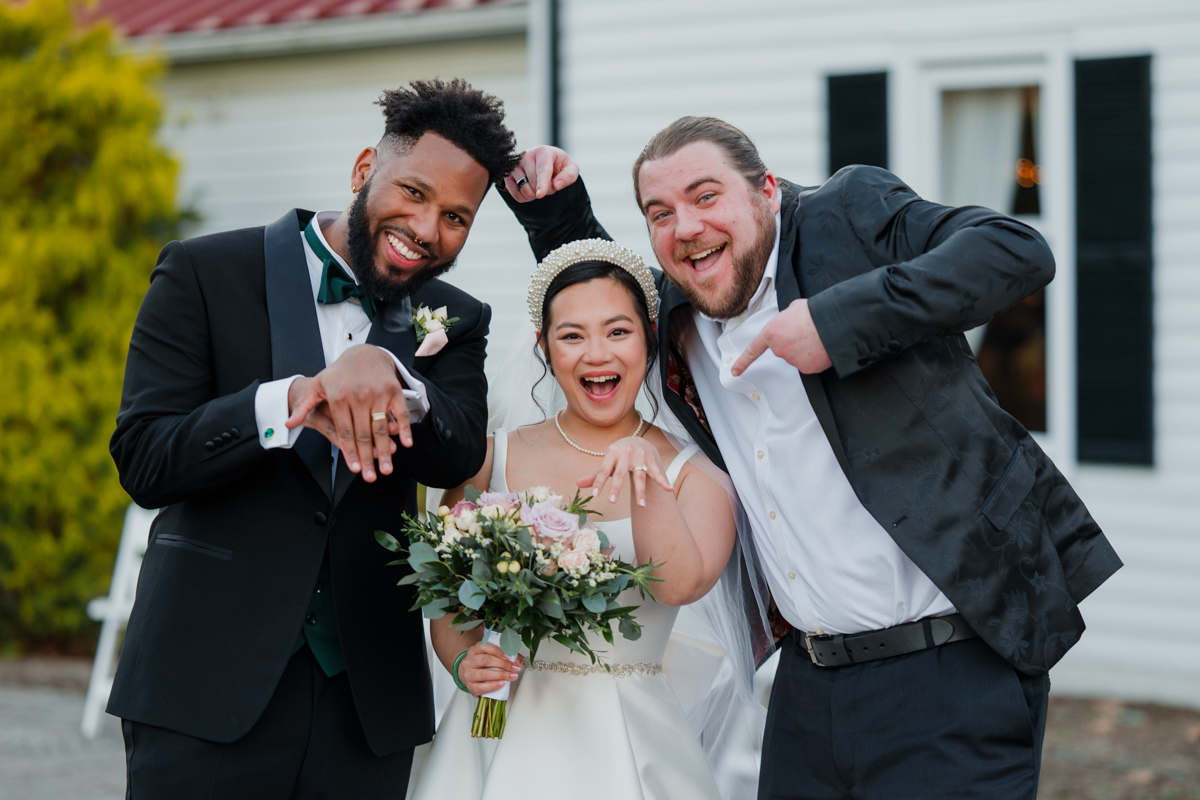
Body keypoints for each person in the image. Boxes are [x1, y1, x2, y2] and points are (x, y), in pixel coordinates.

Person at [499, 118, 1123, 799]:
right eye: (660, 214)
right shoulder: (679, 312)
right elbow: (608, 309)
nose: (686, 227)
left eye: (707, 197)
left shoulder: (845, 215)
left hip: (952, 672)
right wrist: (555, 215)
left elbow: (1014, 251)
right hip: (806, 687)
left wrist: (837, 321)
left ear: (766, 191)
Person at [107, 79, 520, 798]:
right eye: (414, 193)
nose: (427, 228)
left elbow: (457, 450)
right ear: (365, 168)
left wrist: (389, 372)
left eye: (457, 215)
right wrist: (286, 402)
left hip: (367, 702)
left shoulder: (454, 316)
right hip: (203, 684)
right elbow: (145, 459)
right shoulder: (204, 272)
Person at [407, 238, 749, 800]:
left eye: (618, 331)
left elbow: (680, 584)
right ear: (544, 346)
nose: (597, 354)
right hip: (497, 725)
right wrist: (465, 659)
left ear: (648, 338)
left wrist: (648, 485)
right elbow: (449, 598)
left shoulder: (698, 477)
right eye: (572, 335)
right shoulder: (490, 457)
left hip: (625, 737)